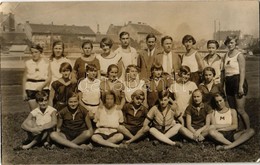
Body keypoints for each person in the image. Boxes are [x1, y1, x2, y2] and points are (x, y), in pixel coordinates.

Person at [125, 90, 195, 146]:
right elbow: (146, 123)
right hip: (158, 132)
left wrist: (181, 131)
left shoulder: (172, 108)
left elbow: (181, 120)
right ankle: (173, 143)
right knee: (151, 129)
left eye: (165, 100)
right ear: (158, 99)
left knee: (178, 126)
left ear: (168, 100)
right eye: (161, 100)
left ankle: (160, 140)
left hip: (169, 131)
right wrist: (145, 130)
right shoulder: (154, 108)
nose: (162, 102)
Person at [223, 35, 250, 129]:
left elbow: (242, 71)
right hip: (228, 82)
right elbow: (224, 72)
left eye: (232, 42)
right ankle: (237, 128)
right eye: (228, 43)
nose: (230, 45)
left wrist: (240, 86)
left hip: (237, 81)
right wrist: (223, 85)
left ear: (235, 43)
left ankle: (248, 130)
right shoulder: (226, 55)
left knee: (240, 110)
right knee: (233, 110)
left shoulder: (239, 55)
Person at [22, 44, 51, 110]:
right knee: (34, 111)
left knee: (44, 110)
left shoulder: (46, 62)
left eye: (36, 52)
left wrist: (42, 86)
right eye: (32, 52)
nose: (34, 54)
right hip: (30, 88)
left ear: (40, 52)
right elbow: (24, 78)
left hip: (43, 87)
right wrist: (24, 92)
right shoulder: (28, 63)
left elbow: (49, 77)